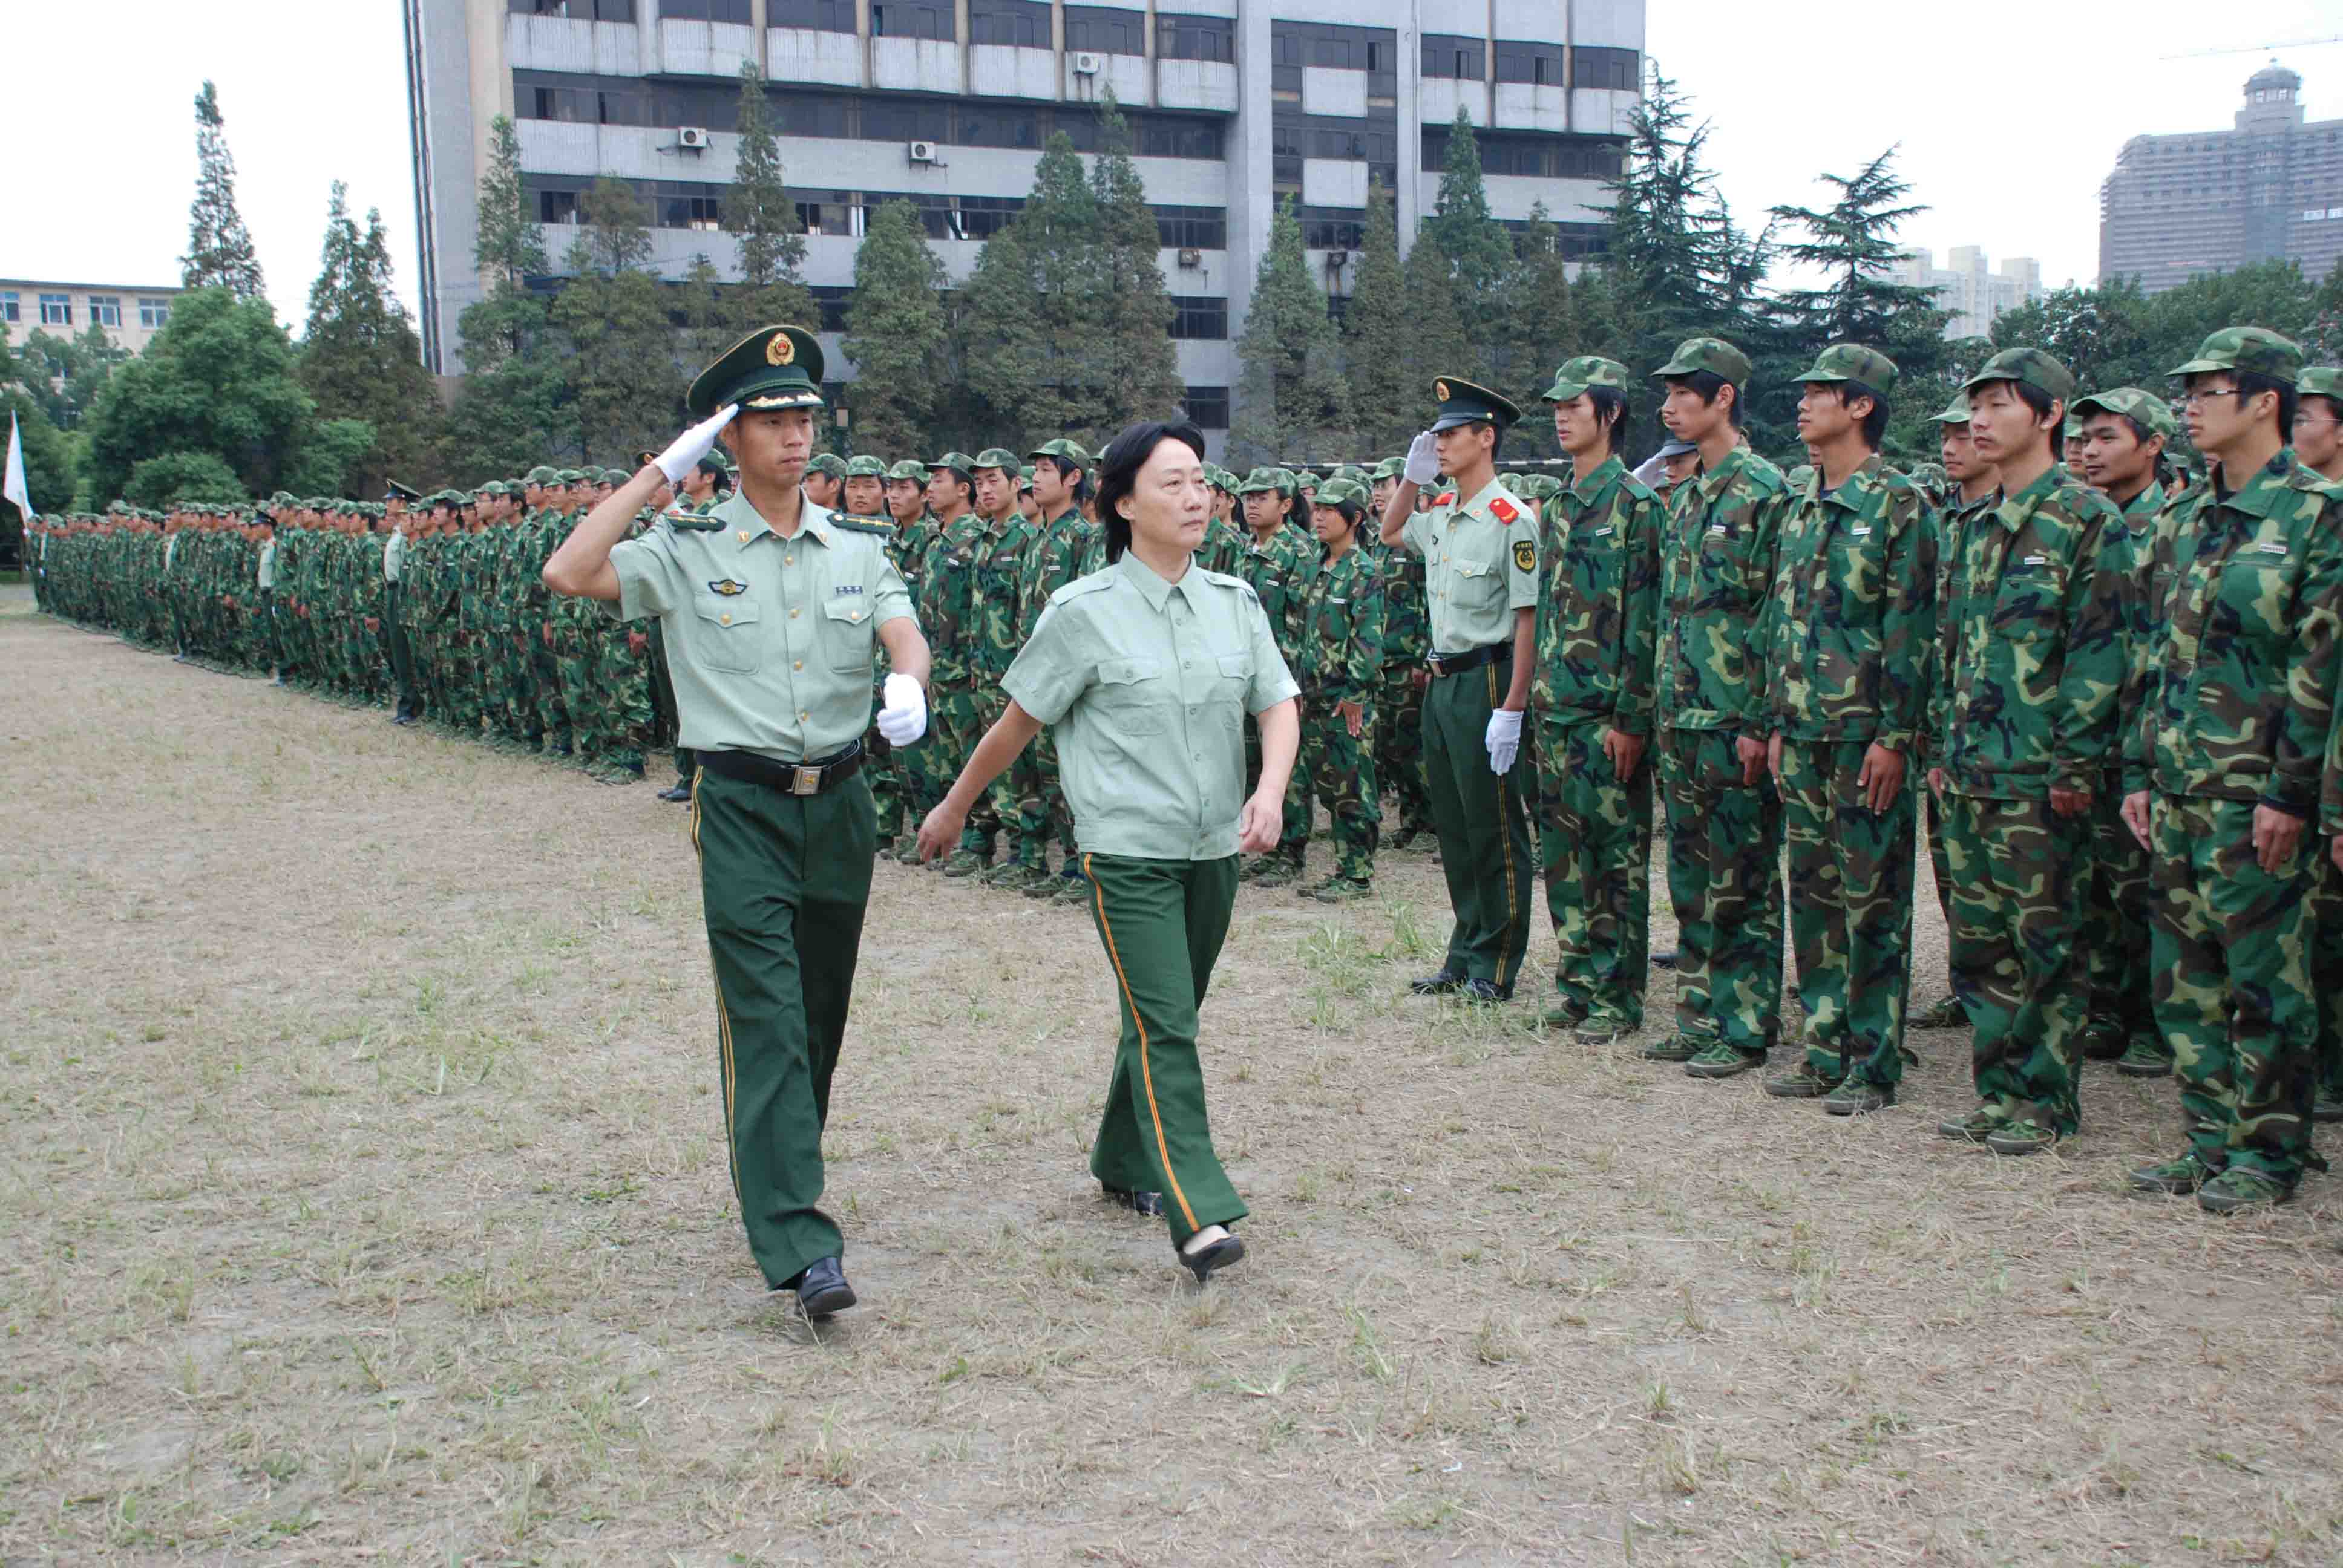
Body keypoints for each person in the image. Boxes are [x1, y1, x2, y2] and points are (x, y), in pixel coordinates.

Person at [542, 325, 932, 1316]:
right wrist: (657, 475)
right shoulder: (685, 548)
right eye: (770, 420)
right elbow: (569, 571)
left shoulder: (858, 546)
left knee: (819, 1013)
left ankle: (779, 1166)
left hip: (840, 804)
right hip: (741, 808)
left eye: (805, 418)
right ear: (729, 436)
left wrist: (907, 680)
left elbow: (902, 629)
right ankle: (800, 1244)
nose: (796, 436)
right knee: (766, 1019)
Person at [916, 420, 1299, 1283]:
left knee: (1165, 1013)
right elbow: (1018, 723)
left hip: (1214, 851)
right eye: (1172, 483)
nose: (1196, 497)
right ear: (1123, 504)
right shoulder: (1081, 612)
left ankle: (1122, 1159)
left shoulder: (1235, 601)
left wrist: (1270, 790)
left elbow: (1277, 702)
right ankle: (1198, 1209)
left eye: (1200, 480)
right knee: (1167, 1025)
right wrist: (954, 805)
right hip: (1127, 855)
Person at [2125, 329, 2341, 1212]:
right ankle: (2209, 1139)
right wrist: (2140, 771)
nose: (2189, 407)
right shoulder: (2183, 520)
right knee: (2184, 981)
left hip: (2258, 797)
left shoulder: (2318, 516)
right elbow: (2154, 655)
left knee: (2266, 981)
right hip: (2179, 788)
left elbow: (2320, 670)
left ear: (2264, 402)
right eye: (2185, 392)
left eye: (2208, 391)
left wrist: (2293, 793)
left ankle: (2268, 1152)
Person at [1932, 347, 2125, 1157]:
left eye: (1999, 406)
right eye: (1975, 406)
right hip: (1969, 770)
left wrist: (2075, 765)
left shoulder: (2085, 520)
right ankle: (2000, 1091)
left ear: (2048, 417)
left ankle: (2044, 1101)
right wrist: (1941, 745)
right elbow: (1952, 650)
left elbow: (2099, 654)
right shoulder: (1976, 525)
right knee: (1980, 945)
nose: (1978, 421)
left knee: (2045, 945)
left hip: (2039, 776)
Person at [1757, 345, 1937, 1115]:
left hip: (1864, 738)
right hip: (1801, 734)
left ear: (1860, 406)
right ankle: (1823, 1045)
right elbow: (1782, 621)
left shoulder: (1899, 504)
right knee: (1814, 897)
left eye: (1820, 392)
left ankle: (1872, 1058)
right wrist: (1776, 720)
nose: (1802, 403)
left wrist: (1895, 736)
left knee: (1874, 902)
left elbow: (1911, 629)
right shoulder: (1801, 502)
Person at [1649, 337, 1789, 1073]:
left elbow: (1774, 616)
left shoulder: (1764, 491)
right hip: (1680, 719)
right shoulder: (1688, 494)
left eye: (1682, 393)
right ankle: (1699, 1013)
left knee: (1743, 880)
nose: (1668, 407)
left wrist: (1760, 720)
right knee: (1690, 878)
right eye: (1667, 393)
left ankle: (1745, 1024)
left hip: (1734, 721)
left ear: (1722, 398)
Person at [1378, 378, 1540, 1003]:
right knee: (1454, 825)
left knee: (1493, 825)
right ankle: (1465, 950)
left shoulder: (1511, 520)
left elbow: (1527, 619)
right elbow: (1391, 532)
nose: (1439, 444)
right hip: (1442, 681)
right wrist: (1412, 479)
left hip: (1487, 680)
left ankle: (1496, 963)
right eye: (1436, 435)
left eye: (1450, 434)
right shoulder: (1443, 513)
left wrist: (1513, 708)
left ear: (1486, 437)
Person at [1531, 358, 1663, 1042]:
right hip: (1554, 712)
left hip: (1606, 718)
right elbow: (1548, 610)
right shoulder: (1557, 506)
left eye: (1574, 406)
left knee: (1615, 862)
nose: (1561, 418)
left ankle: (1617, 996)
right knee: (1563, 860)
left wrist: (1631, 718)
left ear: (1609, 414)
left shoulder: (1637, 506)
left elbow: (1646, 620)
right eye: (1556, 407)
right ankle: (1578, 982)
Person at [2068, 388, 2176, 1074]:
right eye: (2084, 439)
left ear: (2153, 445)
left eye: (2107, 438)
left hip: (2143, 734)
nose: (2090, 451)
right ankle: (2105, 1007)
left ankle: (2153, 1020)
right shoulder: (2084, 522)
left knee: (2144, 887)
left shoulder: (2171, 525)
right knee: (2091, 883)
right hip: (2088, 732)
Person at [1911, 396, 2001, 1031]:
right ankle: (1968, 986)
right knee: (1951, 864)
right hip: (1944, 723)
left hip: (2001, 730)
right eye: (1944, 435)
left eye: (1963, 435)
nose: (1951, 447)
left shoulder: (2007, 519)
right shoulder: (1942, 520)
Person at [1293, 475, 1386, 901]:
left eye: (1331, 510)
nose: (1320, 517)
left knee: (1353, 785)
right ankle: (1344, 867)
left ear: (1355, 518)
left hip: (1346, 699)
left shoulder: (1363, 571)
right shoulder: (1315, 566)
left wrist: (1355, 695)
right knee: (1329, 786)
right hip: (1314, 696)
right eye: (1318, 509)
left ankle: (1358, 873)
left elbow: (1369, 641)